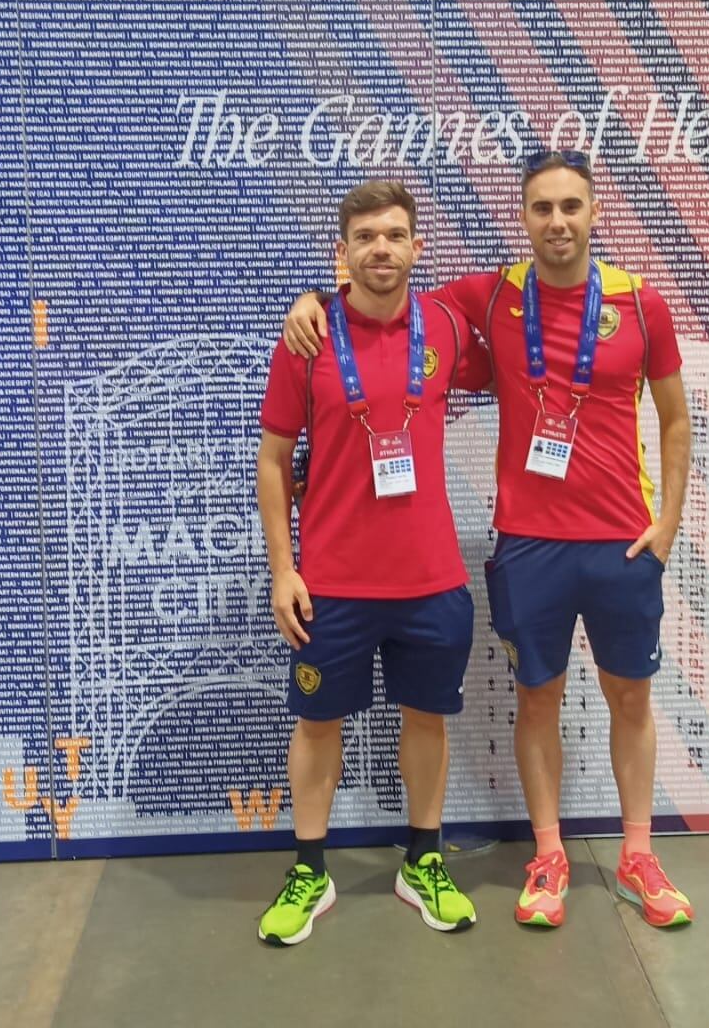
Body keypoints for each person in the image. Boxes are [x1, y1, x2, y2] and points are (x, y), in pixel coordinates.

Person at [283, 152, 696, 929]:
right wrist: (316, 294)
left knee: (631, 698)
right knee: (537, 700)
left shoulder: (643, 306)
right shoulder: (493, 296)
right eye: (542, 208)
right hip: (529, 546)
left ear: (595, 212)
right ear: (524, 218)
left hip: (622, 546)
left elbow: (676, 419)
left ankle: (640, 854)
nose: (558, 222)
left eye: (572, 206)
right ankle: (548, 857)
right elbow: (386, 298)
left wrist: (668, 520)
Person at [253, 179, 493, 946]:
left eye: (395, 235)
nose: (381, 248)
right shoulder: (309, 337)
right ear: (342, 253)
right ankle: (309, 870)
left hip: (432, 580)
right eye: (365, 237)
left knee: (427, 721)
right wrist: (282, 570)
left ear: (417, 248)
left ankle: (422, 861)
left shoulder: (449, 327)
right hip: (332, 584)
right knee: (318, 724)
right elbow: (273, 458)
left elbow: (527, 328)